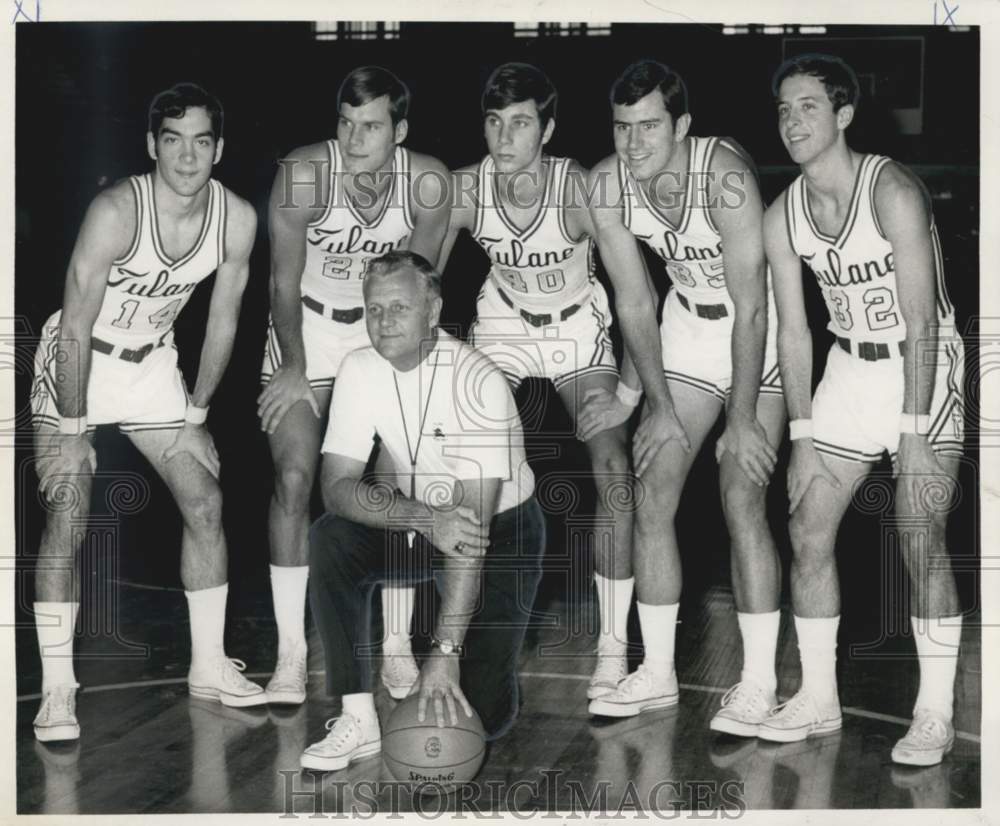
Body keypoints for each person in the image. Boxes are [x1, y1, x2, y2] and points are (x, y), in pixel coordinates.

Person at [29, 82, 263, 742]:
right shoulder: (116, 210)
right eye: (172, 139)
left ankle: (210, 666)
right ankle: (57, 689)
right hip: (80, 356)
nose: (187, 156)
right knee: (69, 504)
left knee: (207, 502)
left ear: (219, 149)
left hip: (151, 364)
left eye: (201, 141)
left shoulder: (236, 218)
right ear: (150, 145)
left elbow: (223, 324)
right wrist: (73, 431)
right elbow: (74, 323)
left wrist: (195, 416)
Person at [761, 54, 965, 766]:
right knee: (806, 525)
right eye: (785, 109)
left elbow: (923, 322)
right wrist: (802, 438)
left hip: (921, 366)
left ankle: (934, 712)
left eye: (810, 107)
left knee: (920, 533)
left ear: (844, 115)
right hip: (849, 365)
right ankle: (817, 699)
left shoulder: (893, 191)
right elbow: (793, 332)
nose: (793, 122)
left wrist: (912, 434)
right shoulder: (783, 212)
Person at [581, 60, 786, 731]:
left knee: (741, 493)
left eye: (649, 127)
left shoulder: (723, 178)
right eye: (621, 127)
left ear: (683, 127)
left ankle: (757, 683)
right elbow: (636, 300)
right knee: (650, 492)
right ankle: (659, 672)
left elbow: (753, 308)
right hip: (689, 327)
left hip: (761, 334)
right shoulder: (606, 184)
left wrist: (745, 417)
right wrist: (652, 402)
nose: (633, 142)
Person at [301, 251, 544, 772]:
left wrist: (445, 652)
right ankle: (358, 717)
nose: (383, 321)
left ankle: (472, 666)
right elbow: (337, 489)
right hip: (424, 518)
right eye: (373, 309)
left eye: (399, 307)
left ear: (432, 310)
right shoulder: (358, 369)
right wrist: (421, 518)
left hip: (501, 533)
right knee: (330, 537)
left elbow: (471, 531)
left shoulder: (476, 380)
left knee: (481, 714)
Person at [439, 63, 633, 701]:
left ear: (547, 129)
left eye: (520, 123)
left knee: (612, 471)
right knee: (469, 463)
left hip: (578, 328)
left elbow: (636, 293)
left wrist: (637, 389)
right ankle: (452, 640)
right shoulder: (465, 188)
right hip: (502, 326)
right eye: (494, 122)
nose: (504, 136)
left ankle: (611, 649)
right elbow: (422, 277)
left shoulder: (579, 189)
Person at [258, 66, 451, 705]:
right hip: (306, 329)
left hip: (380, 330)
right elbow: (282, 285)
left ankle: (396, 644)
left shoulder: (427, 183)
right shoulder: (303, 175)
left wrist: (402, 375)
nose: (353, 136)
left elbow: (417, 290)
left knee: (398, 474)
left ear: (401, 130)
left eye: (370, 125)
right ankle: (291, 653)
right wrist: (289, 365)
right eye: (345, 121)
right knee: (293, 476)